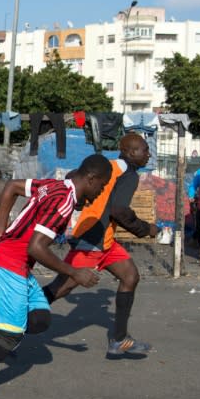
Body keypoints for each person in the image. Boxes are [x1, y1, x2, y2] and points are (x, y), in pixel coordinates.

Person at [0, 154, 112, 399]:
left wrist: (1, 227)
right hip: (6, 263)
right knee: (10, 335)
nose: (100, 192)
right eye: (101, 186)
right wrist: (74, 272)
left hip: (16, 263)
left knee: (39, 319)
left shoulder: (53, 185)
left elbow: (11, 187)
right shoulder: (64, 202)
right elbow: (37, 247)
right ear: (92, 179)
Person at [41, 134, 158, 358]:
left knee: (130, 276)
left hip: (105, 240)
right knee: (60, 289)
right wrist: (146, 229)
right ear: (131, 152)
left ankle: (119, 340)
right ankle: (3, 324)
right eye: (145, 150)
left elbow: (72, 176)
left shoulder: (110, 166)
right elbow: (119, 210)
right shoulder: (129, 174)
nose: (148, 154)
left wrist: (86, 203)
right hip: (92, 239)